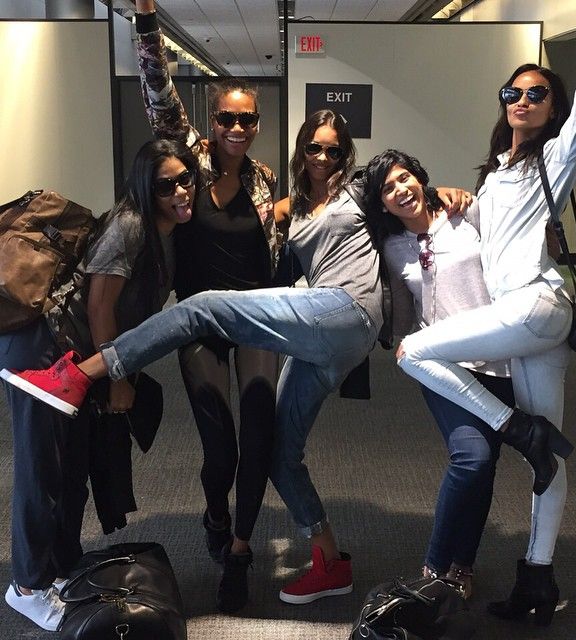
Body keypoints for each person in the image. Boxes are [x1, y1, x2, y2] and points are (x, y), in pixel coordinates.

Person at [1, 109, 469, 606]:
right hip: (322, 336)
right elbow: (172, 120)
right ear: (301, 150)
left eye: (334, 149)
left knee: (202, 307)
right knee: (280, 454)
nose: (323, 157)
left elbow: (399, 184)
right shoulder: (288, 205)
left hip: (346, 310)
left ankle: (77, 375)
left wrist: (439, 192)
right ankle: (329, 561)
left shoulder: (355, 190)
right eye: (314, 147)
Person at [393, 3, 576, 625]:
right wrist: (456, 197)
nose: (522, 100)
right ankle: (537, 579)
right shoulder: (497, 172)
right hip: (530, 328)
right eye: (513, 92)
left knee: (413, 352)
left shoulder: (554, 157)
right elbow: (487, 233)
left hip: (536, 305)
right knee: (547, 455)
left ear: (552, 108)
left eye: (536, 94)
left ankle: (512, 426)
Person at [1, 138, 197, 632]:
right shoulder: (131, 225)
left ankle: (60, 566)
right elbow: (99, 306)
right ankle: (26, 586)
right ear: (145, 187)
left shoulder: (165, 231)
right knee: (42, 472)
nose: (180, 190)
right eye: (166, 185)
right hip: (45, 355)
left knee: (72, 471)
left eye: (185, 178)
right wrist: (118, 378)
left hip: (77, 359)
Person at [134, 0, 280, 613]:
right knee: (220, 446)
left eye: (247, 119)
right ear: (212, 122)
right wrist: (147, 17)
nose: (237, 128)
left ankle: (240, 552)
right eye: (227, 118)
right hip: (199, 322)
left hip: (256, 322)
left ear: (256, 123)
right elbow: (158, 89)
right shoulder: (187, 165)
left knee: (260, 431)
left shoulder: (265, 181)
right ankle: (216, 515)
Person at [364, 149, 515, 599]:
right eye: (387, 189)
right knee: (472, 457)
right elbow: (404, 309)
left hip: (498, 358)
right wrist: (402, 345)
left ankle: (462, 567)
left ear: (420, 177)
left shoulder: (465, 214)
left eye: (404, 178)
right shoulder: (392, 247)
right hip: (442, 365)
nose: (400, 190)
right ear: (382, 203)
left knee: (484, 469)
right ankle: (433, 572)